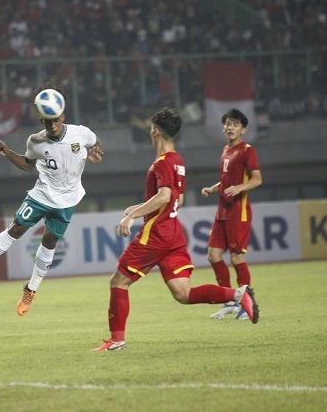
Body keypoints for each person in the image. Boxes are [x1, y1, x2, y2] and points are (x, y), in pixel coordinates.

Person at [93, 107, 258, 352]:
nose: (150, 133)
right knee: (183, 293)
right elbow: (176, 200)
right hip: (173, 235)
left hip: (156, 234)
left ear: (156, 132)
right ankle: (238, 295)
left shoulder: (161, 163)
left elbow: (165, 196)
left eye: (151, 129)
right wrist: (137, 207)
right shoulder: (177, 160)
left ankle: (116, 340)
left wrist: (133, 217)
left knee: (118, 282)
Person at [0, 80, 104, 316]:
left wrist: (98, 154)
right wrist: (7, 153)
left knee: (49, 242)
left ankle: (30, 290)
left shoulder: (81, 134)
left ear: (63, 116)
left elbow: (97, 145)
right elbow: (28, 164)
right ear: (41, 120)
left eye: (56, 119)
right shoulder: (35, 141)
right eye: (48, 121)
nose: (53, 125)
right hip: (42, 195)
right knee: (16, 229)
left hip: (68, 200)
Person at [200, 108, 263, 320]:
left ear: (243, 129)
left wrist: (239, 188)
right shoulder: (225, 149)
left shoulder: (247, 150)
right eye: (227, 123)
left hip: (239, 212)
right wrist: (213, 188)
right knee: (213, 255)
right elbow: (227, 181)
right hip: (222, 212)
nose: (230, 127)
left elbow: (256, 179)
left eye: (235, 124)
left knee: (237, 257)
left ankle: (247, 304)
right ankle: (228, 300)